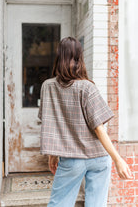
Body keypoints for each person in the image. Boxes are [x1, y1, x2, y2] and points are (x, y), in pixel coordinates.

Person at [38, 37, 133, 207]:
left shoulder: (47, 87)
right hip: (98, 158)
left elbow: (50, 123)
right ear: (79, 58)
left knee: (59, 204)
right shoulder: (87, 87)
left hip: (70, 158)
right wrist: (118, 159)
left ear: (59, 57)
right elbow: (99, 128)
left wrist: (53, 155)